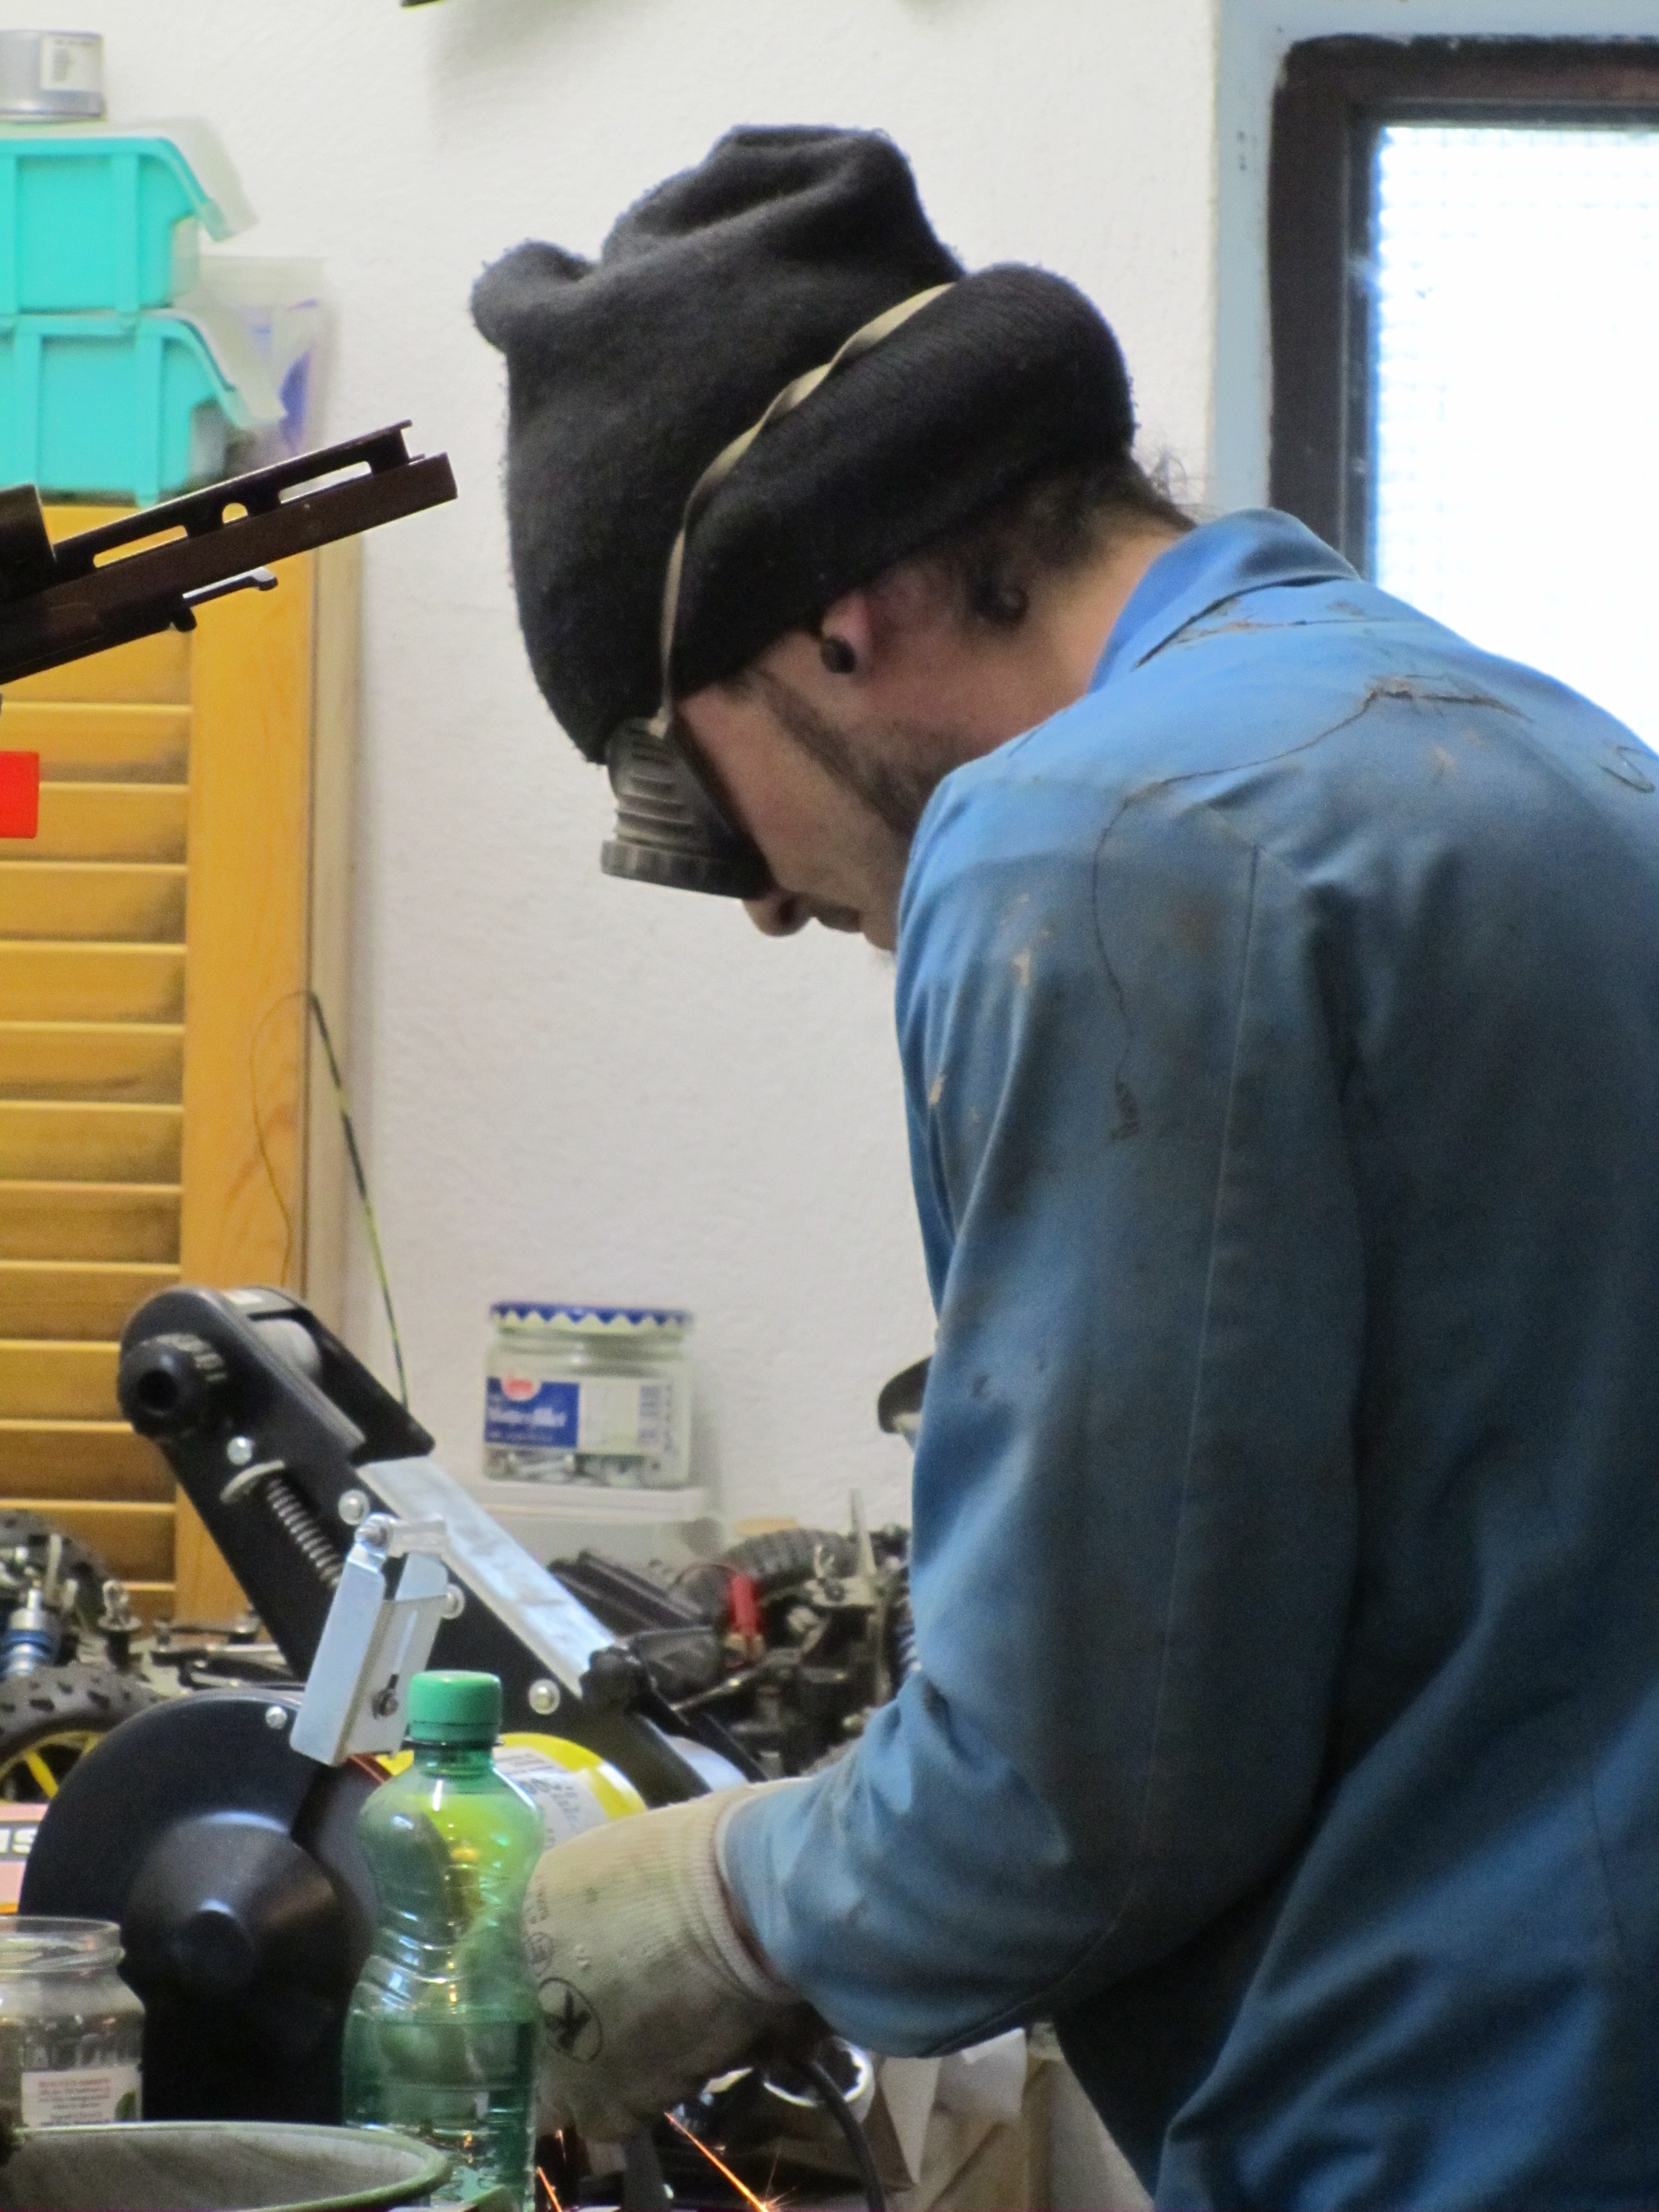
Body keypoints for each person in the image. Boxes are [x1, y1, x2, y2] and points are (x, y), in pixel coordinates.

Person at [471, 126, 1659, 2210]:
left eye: (689, 795)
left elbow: (1067, 1807)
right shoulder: (1545, 747)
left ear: (837, 614)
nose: (762, 898)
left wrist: (717, 1901)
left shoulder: (1088, 839)